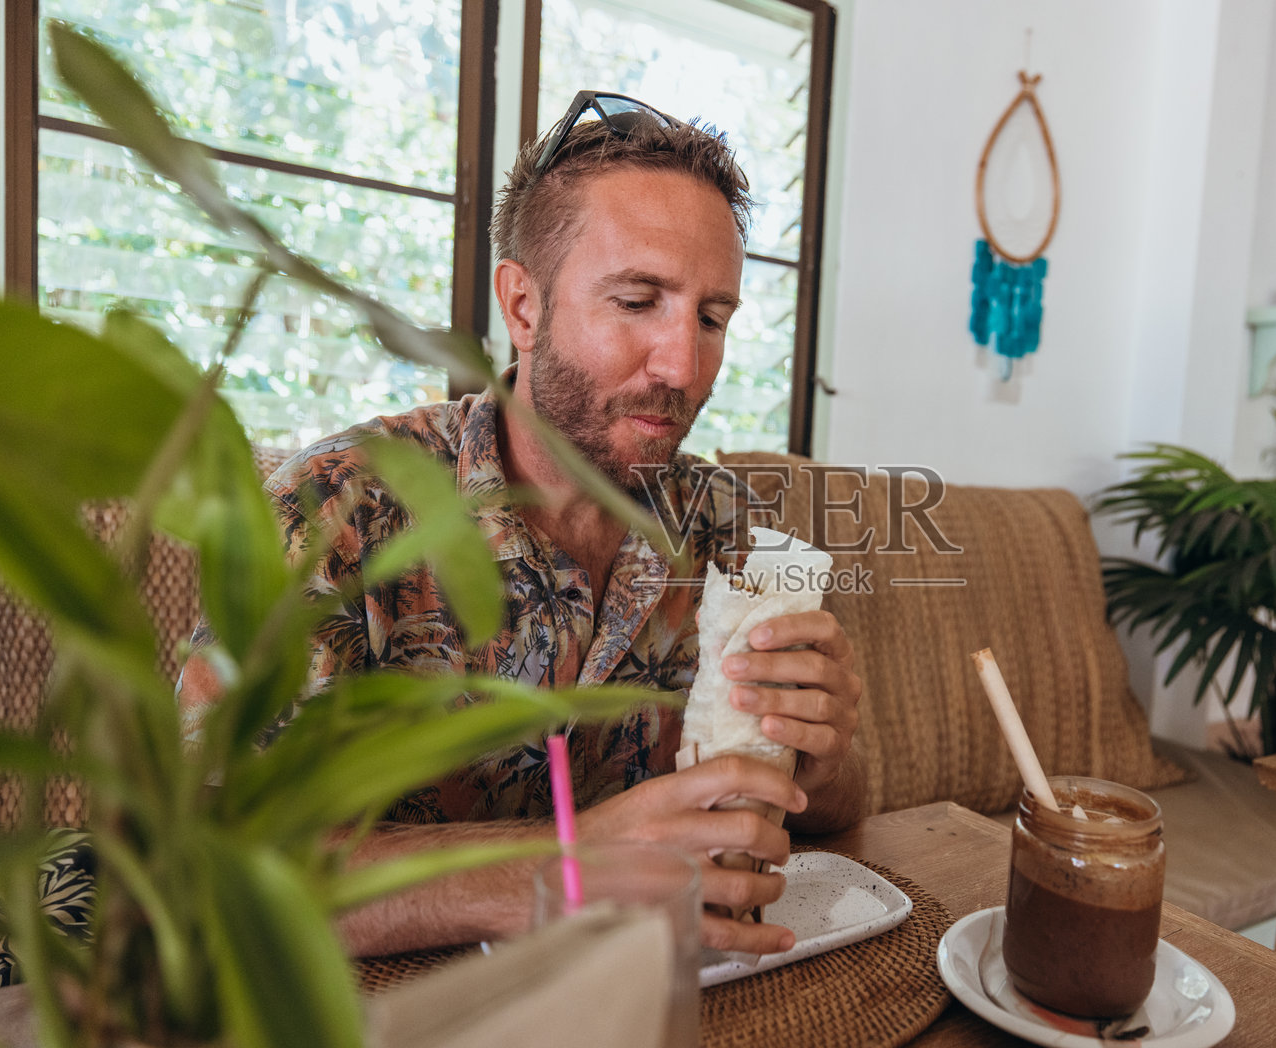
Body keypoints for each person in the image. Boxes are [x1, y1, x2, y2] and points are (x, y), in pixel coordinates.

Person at [176, 92, 865, 957]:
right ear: (524, 305)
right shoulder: (332, 510)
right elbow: (208, 862)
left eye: (712, 317)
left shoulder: (724, 527)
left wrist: (824, 749)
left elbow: (838, 809)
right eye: (637, 299)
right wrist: (562, 867)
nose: (684, 365)